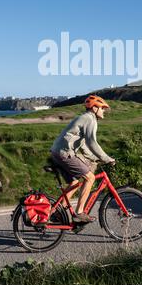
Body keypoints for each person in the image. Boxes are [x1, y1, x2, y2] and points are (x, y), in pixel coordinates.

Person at [50, 95, 115, 223]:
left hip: (57, 152)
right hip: (64, 153)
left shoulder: (84, 118)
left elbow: (84, 145)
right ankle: (79, 213)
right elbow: (92, 143)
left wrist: (95, 158)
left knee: (74, 183)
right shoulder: (90, 119)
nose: (104, 111)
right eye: (102, 108)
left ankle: (58, 212)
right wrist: (106, 158)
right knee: (90, 178)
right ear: (95, 108)